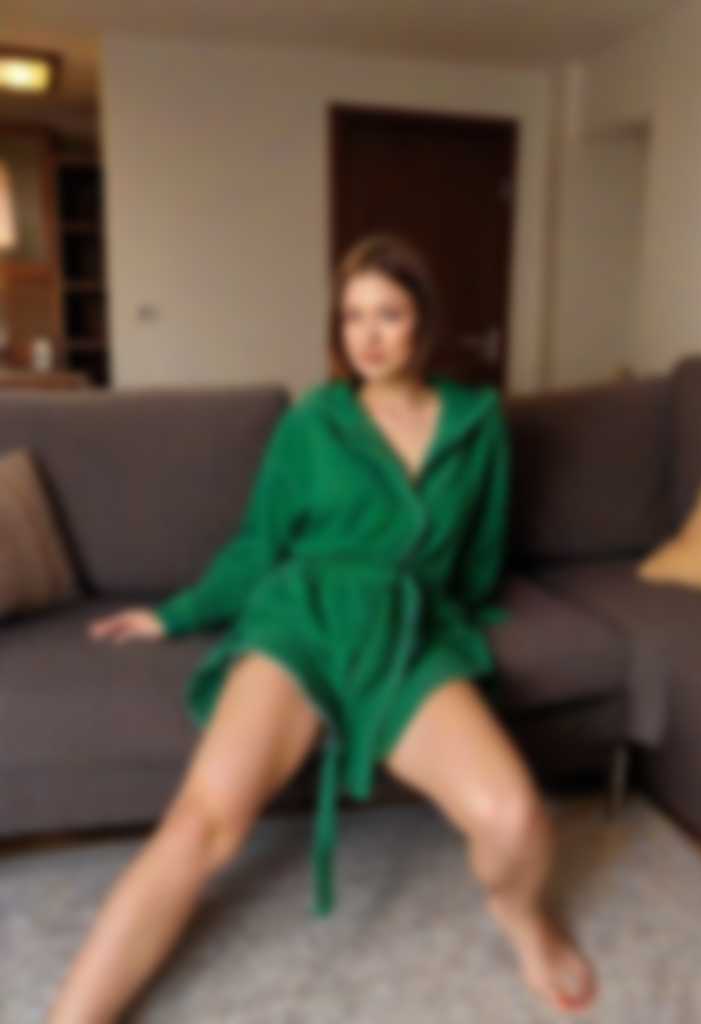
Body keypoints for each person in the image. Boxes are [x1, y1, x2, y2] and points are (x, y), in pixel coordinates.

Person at [46, 234, 598, 1021]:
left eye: (389, 315)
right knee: (203, 827)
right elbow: (258, 546)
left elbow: (480, 555)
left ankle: (521, 919)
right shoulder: (312, 424)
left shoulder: (479, 425)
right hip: (303, 616)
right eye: (352, 317)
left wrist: (457, 626)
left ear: (423, 322)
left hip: (406, 627)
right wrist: (174, 613)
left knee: (515, 819)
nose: (368, 336)